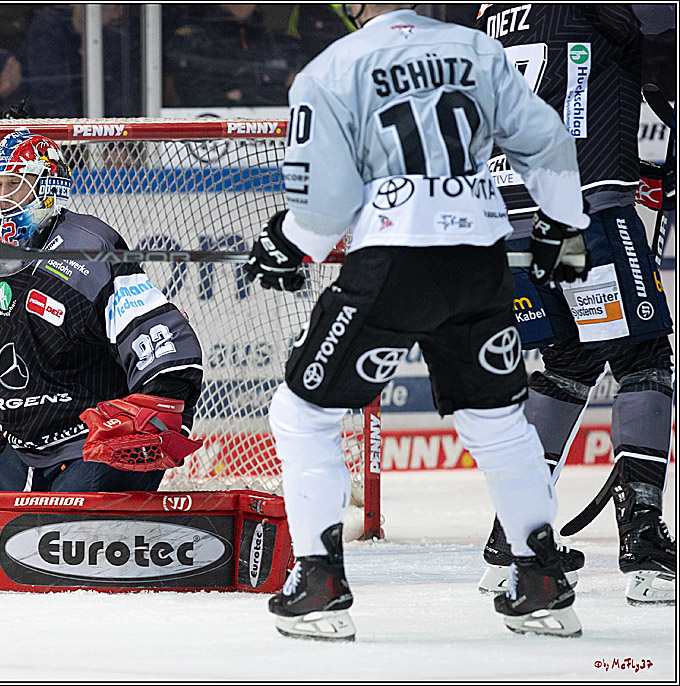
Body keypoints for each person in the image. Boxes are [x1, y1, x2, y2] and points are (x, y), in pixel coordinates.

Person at [244, 4, 592, 639]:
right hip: (480, 264)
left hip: (396, 261)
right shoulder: (477, 49)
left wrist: (288, 241)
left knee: (302, 413)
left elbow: (325, 200)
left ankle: (318, 583)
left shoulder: (332, 68)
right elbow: (548, 139)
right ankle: (541, 581)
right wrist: (562, 222)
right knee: (496, 422)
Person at [475, 4, 676, 606]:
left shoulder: (491, 11)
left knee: (570, 361)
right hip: (580, 215)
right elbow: (661, 35)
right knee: (643, 358)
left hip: (508, 218)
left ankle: (513, 540)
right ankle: (643, 547)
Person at [0, 129, 204, 493]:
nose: (0, 199)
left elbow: (161, 340)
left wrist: (162, 402)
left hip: (95, 442)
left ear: (48, 188)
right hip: (26, 451)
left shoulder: (89, 250)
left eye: (13, 185)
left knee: (59, 539)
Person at [163, 4, 301, 108]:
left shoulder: (276, 42)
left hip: (271, 133)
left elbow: (290, 93)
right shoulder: (194, 40)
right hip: (209, 136)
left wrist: (242, 95)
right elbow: (196, 96)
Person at [22, 4, 140, 118]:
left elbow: (119, 97)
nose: (118, 14)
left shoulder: (115, 41)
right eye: (113, 6)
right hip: (60, 131)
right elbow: (50, 97)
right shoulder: (47, 32)